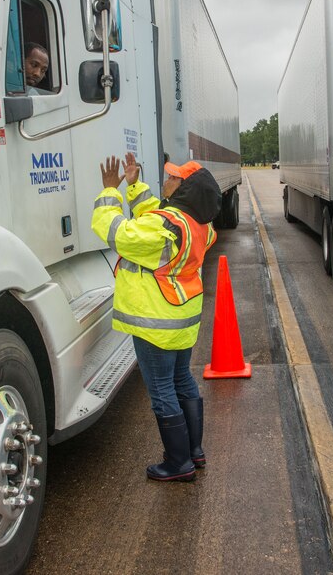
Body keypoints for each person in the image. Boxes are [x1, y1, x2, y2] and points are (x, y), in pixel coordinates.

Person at [92, 152, 222, 482]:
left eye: (173, 177)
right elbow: (157, 216)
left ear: (183, 188)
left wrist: (111, 192)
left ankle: (178, 464)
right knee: (182, 381)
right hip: (182, 319)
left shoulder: (166, 226)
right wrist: (135, 186)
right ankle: (194, 452)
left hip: (155, 322)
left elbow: (117, 233)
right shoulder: (197, 225)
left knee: (162, 390)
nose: (166, 179)